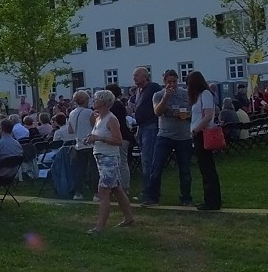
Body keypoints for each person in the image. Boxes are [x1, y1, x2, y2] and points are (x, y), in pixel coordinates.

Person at [83, 90, 135, 234]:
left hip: (109, 158)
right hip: (101, 157)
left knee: (103, 192)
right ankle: (129, 217)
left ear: (104, 102)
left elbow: (118, 140)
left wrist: (99, 139)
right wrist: (92, 137)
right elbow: (99, 135)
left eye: (96, 99)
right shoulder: (99, 118)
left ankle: (99, 227)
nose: (94, 101)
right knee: (117, 188)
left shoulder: (111, 119)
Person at [142, 71, 193, 206]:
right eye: (169, 82)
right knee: (156, 167)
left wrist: (187, 114)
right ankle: (152, 197)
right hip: (165, 135)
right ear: (164, 82)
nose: (172, 85)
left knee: (185, 169)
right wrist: (165, 98)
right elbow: (157, 112)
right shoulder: (158, 95)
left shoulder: (185, 94)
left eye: (174, 81)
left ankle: (186, 198)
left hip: (183, 136)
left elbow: (193, 110)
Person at [186, 71, 222, 211]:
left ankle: (212, 201)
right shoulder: (201, 96)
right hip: (198, 132)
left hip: (201, 133)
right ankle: (210, 199)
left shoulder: (205, 94)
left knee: (207, 169)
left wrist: (196, 130)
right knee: (205, 169)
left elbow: (207, 116)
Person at [129, 67, 161, 198]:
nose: (134, 77)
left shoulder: (153, 87)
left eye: (136, 75)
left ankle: (151, 191)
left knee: (148, 159)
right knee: (144, 158)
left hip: (151, 125)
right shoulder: (138, 90)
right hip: (142, 126)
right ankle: (148, 188)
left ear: (145, 76)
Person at [67, 90, 96, 201]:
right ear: (86, 100)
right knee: (94, 169)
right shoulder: (89, 112)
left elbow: (70, 130)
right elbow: (95, 126)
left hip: (79, 144)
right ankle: (96, 193)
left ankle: (78, 193)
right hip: (90, 144)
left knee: (80, 171)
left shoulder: (72, 113)